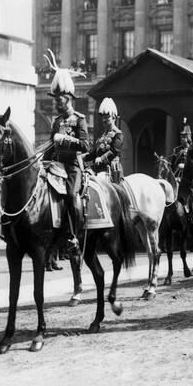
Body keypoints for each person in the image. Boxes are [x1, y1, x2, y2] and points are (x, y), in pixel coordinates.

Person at [43, 62, 90, 252]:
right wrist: (43, 161)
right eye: (55, 99)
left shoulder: (79, 119)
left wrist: (66, 139)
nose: (56, 102)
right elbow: (50, 146)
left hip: (72, 167)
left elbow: (86, 145)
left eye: (59, 99)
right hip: (56, 166)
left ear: (69, 98)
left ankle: (75, 235)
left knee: (71, 196)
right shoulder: (56, 121)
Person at [84, 97, 124, 183]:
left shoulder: (118, 134)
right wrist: (83, 157)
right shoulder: (102, 137)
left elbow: (113, 151)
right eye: (103, 117)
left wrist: (101, 158)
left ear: (113, 117)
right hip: (98, 168)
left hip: (111, 169)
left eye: (107, 117)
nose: (104, 120)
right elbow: (94, 153)